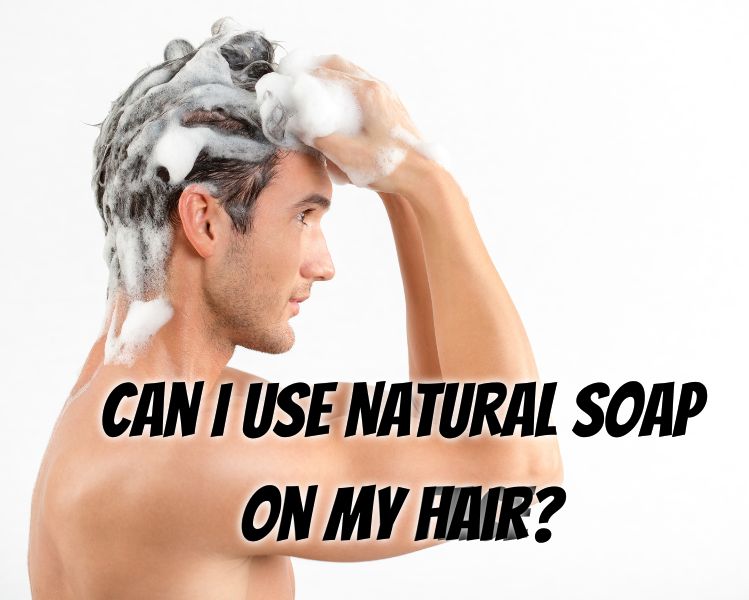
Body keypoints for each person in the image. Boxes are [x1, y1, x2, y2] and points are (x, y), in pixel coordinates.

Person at [28, 19, 563, 599]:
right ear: (204, 220)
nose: (324, 265)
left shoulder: (141, 407)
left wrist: (394, 180)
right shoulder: (183, 455)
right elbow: (517, 474)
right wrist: (430, 185)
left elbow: (450, 430)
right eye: (303, 217)